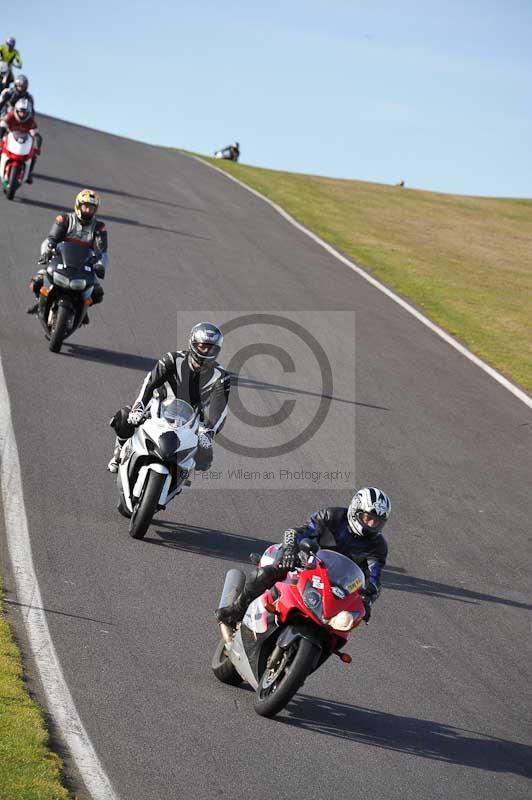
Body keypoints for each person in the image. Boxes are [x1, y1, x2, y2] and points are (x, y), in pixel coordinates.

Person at [216, 487, 391, 626]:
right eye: (368, 518)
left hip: (337, 585)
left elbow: (375, 578)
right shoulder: (331, 516)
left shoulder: (378, 546)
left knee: (344, 620)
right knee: (268, 573)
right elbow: (296, 532)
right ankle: (236, 610)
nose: (372, 525)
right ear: (355, 510)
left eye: (377, 521)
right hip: (306, 563)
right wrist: (290, 551)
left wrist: (368, 599)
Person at [107, 322, 230, 473]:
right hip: (159, 407)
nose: (206, 351)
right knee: (123, 418)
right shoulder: (173, 359)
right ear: (193, 343)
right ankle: (120, 451)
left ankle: (181, 474)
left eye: (211, 347)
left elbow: (220, 409)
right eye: (203, 346)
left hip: (191, 420)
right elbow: (150, 383)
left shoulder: (221, 376)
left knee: (205, 458)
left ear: (217, 350)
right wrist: (138, 407)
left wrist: (209, 431)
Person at [27, 190, 108, 316]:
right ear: (78, 205)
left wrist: (101, 264)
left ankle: (83, 307)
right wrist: (46, 252)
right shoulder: (64, 219)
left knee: (98, 294)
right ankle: (40, 301)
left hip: (84, 266)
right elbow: (51, 239)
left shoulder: (99, 227)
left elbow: (101, 249)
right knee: (36, 283)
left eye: (91, 208)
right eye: (85, 207)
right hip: (59, 260)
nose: (87, 211)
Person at [0, 97, 41, 182]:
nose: (22, 114)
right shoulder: (10, 116)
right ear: (16, 110)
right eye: (21, 111)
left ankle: (29, 173)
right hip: (9, 138)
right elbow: (3, 124)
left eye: (25, 112)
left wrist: (37, 148)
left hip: (23, 141)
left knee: (33, 156)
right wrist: (3, 128)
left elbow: (36, 133)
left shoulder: (30, 121)